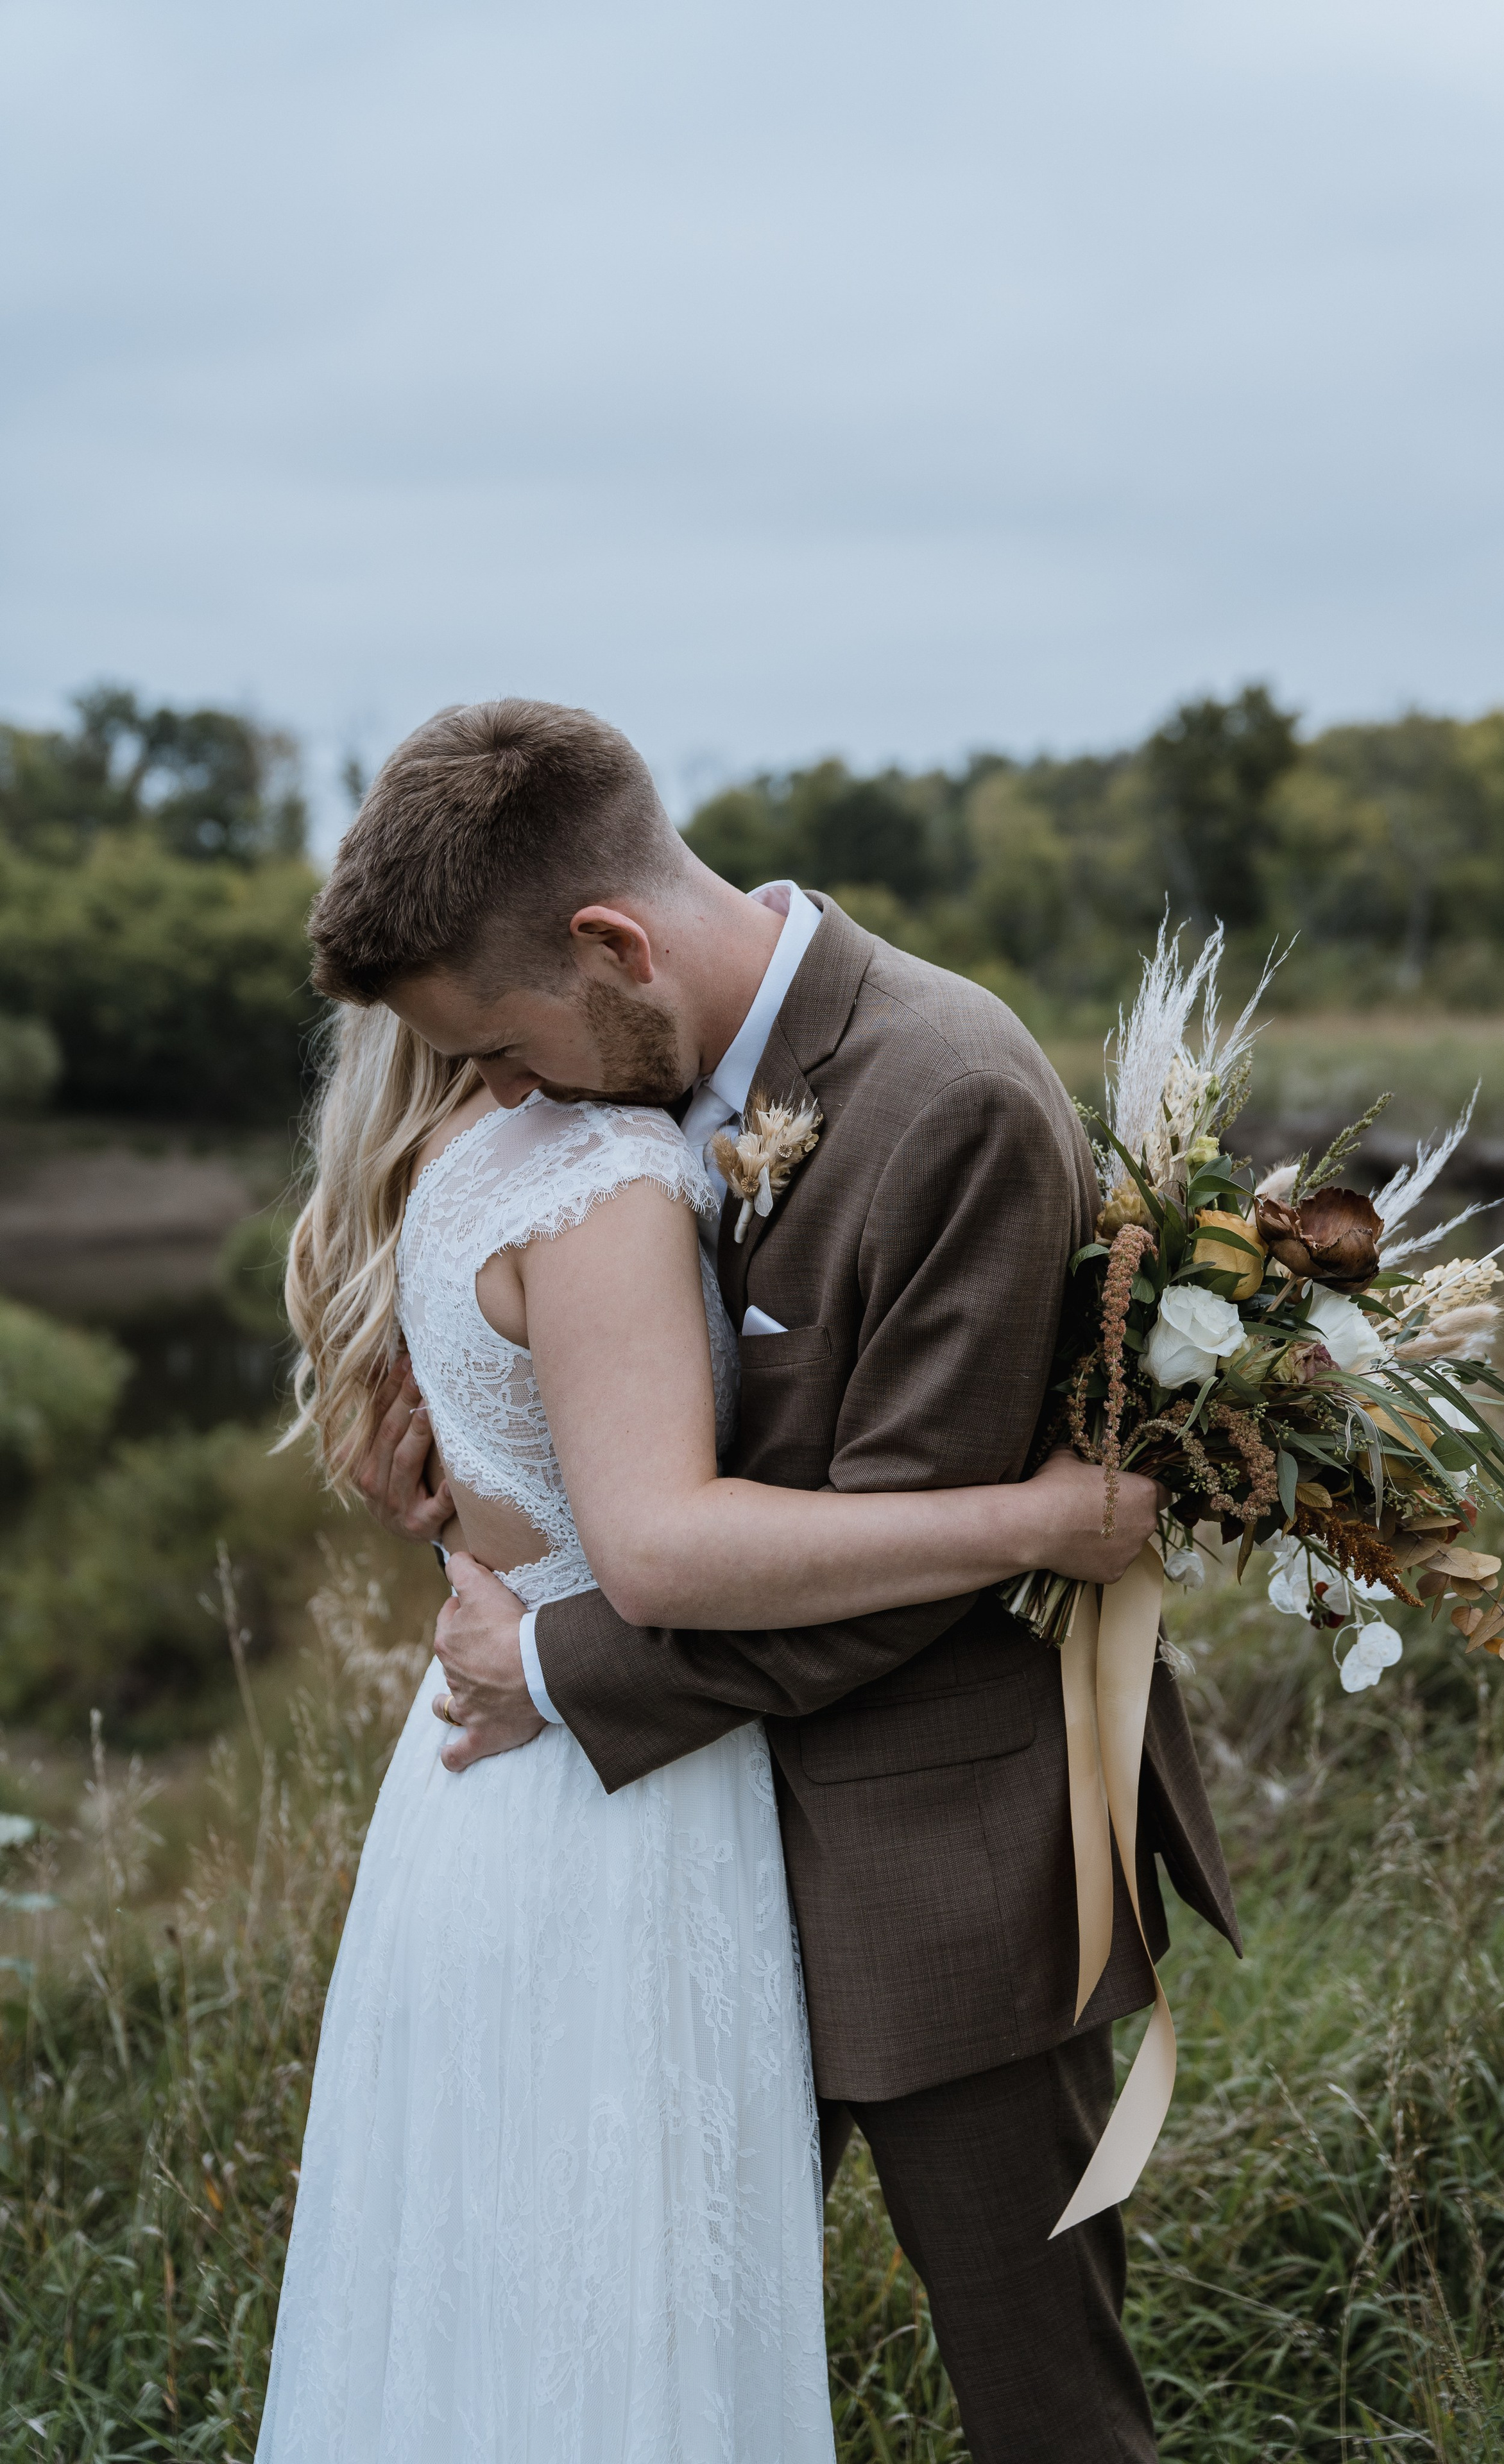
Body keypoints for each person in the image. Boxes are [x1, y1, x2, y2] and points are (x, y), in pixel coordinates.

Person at [272, 698, 1238, 2463]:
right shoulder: (604, 1104)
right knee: (633, 2384)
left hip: (935, 1874)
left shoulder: (948, 1092)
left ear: (610, 946)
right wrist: (470, 1499)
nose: (498, 1098)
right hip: (658, 1895)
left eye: (502, 1049)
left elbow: (901, 1575)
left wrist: (563, 1669)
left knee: (1047, 2418)